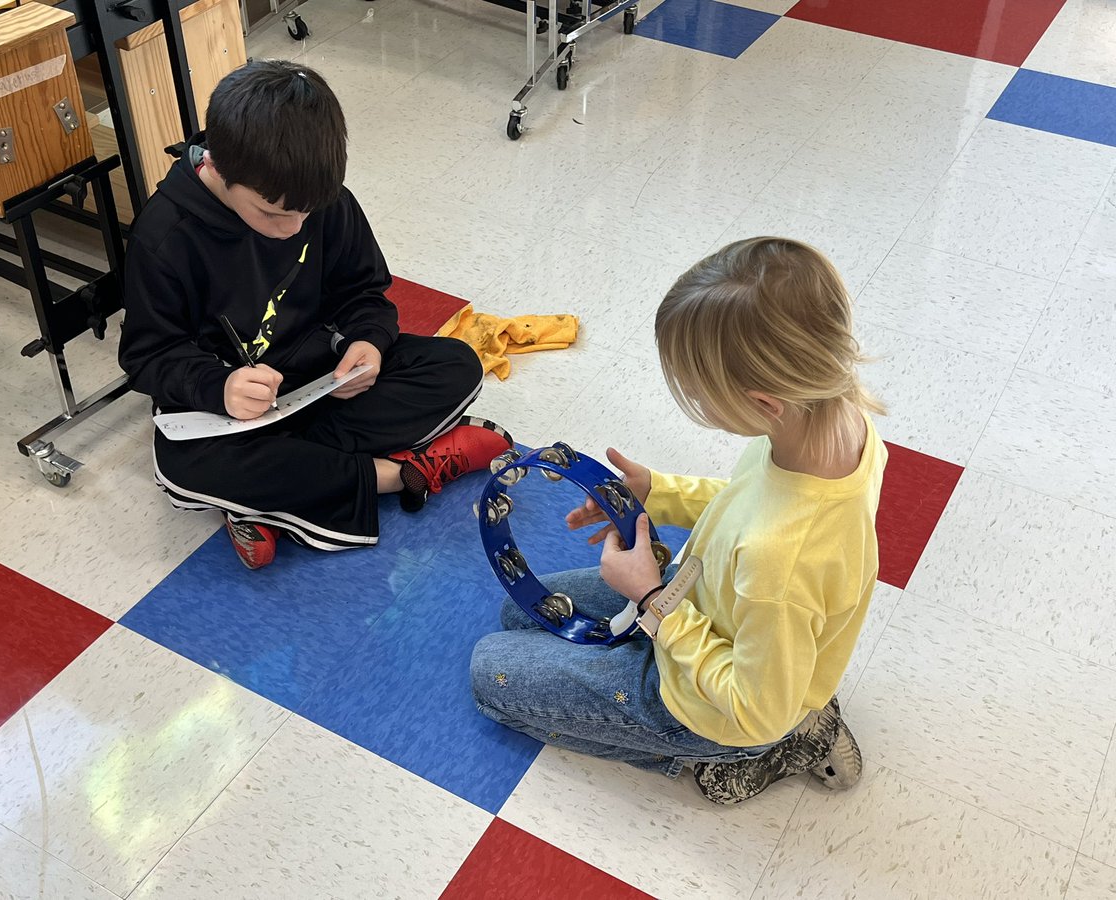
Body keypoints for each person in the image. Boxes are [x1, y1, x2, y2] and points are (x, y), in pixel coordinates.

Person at [470, 237, 888, 804]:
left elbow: (756, 709)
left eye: (698, 390)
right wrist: (657, 492)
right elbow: (752, 501)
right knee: (518, 613)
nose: (691, 398)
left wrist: (650, 603)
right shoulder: (832, 422)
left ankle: (767, 749)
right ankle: (765, 703)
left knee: (489, 676)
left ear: (766, 403)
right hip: (703, 606)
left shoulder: (779, 562)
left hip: (719, 707)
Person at [118, 60, 511, 569]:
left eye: (306, 214)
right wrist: (221, 388)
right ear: (217, 167)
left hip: (318, 381)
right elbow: (149, 356)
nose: (293, 228)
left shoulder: (320, 200)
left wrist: (367, 341)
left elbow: (366, 293)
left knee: (455, 364)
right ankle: (402, 474)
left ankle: (275, 494)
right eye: (273, 215)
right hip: (228, 408)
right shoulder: (165, 236)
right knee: (182, 464)